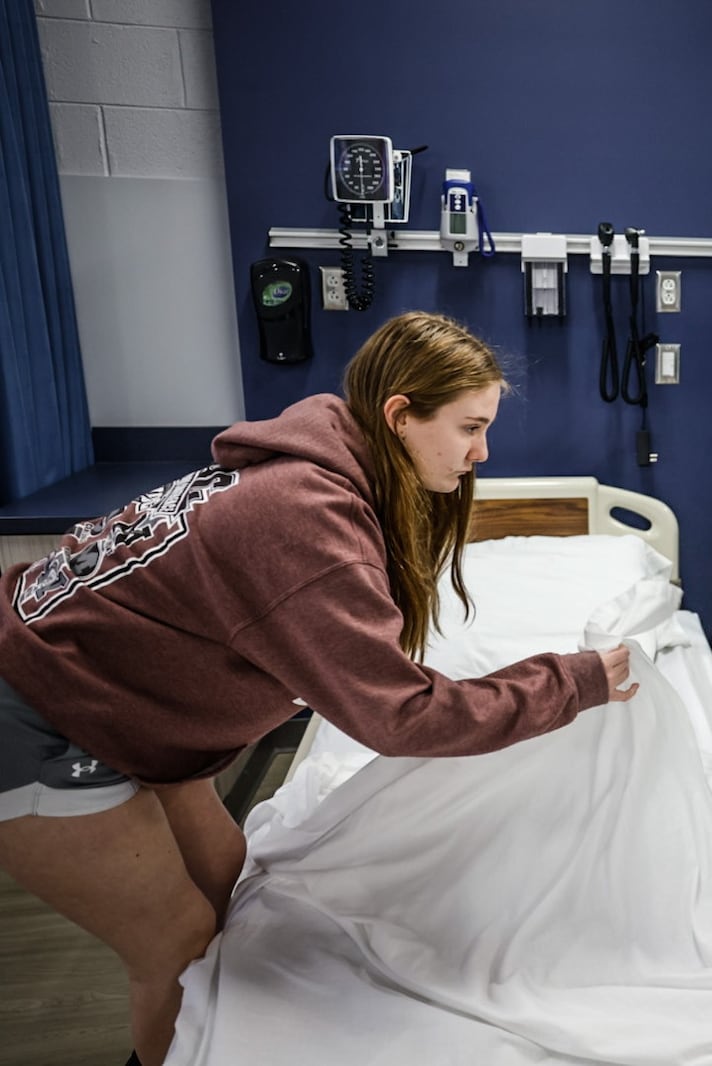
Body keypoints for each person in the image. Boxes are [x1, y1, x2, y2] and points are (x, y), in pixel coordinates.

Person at [0, 311, 637, 1066]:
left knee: (229, 880)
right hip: (38, 712)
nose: (482, 451)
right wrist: (573, 681)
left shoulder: (311, 465)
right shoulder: (301, 517)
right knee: (177, 940)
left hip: (111, 699)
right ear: (399, 415)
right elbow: (400, 714)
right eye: (470, 427)